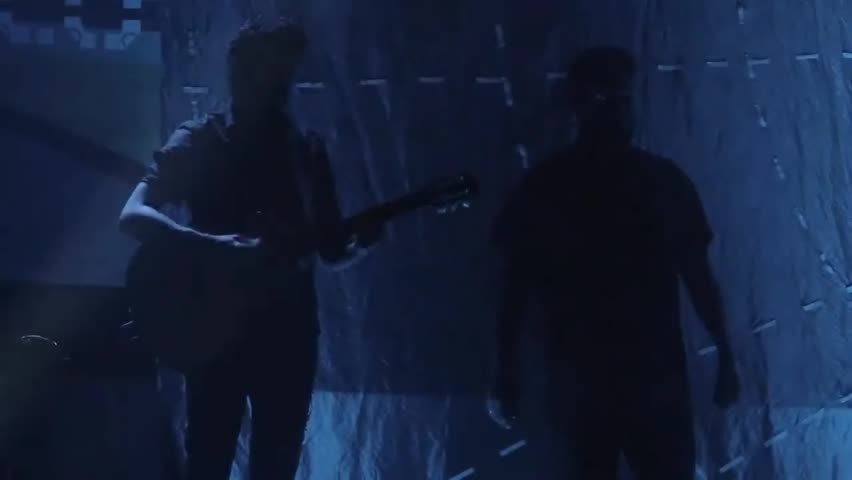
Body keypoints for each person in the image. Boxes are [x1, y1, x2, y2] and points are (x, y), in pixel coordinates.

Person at [118, 19, 381, 480]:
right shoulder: (202, 140)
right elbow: (134, 214)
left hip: (288, 336)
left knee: (273, 467)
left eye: (283, 70)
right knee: (209, 461)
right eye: (267, 68)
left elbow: (330, 250)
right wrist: (214, 247)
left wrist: (362, 242)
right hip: (218, 333)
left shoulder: (306, 150)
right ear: (240, 71)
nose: (278, 81)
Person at [487, 46, 741, 479]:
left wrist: (726, 355)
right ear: (581, 107)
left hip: (613, 383)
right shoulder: (652, 183)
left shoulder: (551, 187)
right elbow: (514, 288)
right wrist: (725, 355)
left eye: (624, 98)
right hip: (618, 383)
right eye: (610, 99)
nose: (622, 110)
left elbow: (698, 275)